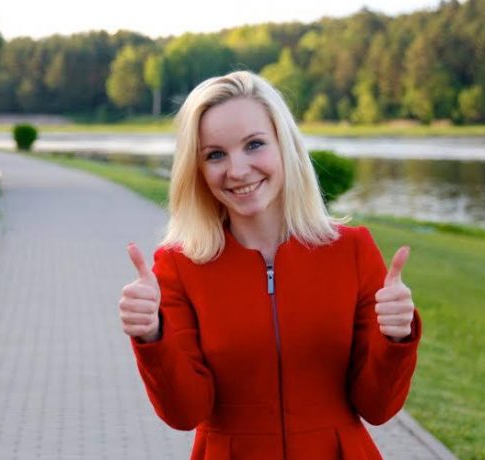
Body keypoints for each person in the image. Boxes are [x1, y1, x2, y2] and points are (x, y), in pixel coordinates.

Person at [118, 70, 421, 460]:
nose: (237, 170)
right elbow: (184, 413)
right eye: (215, 155)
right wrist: (152, 335)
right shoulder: (179, 266)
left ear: (285, 146)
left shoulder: (352, 250)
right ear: (197, 169)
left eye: (254, 145)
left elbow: (378, 408)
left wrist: (396, 337)